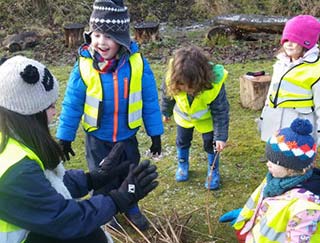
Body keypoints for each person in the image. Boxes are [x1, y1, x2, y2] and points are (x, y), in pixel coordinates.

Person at [0, 55, 159, 243]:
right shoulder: (17, 170)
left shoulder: (13, 139)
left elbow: (46, 185)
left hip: (28, 227)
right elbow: (65, 219)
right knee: (89, 236)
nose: (55, 111)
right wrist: (118, 199)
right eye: (49, 106)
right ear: (28, 112)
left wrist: (93, 178)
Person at [56, 0, 163, 230]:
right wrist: (65, 136)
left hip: (126, 137)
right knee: (101, 177)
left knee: (129, 173)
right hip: (97, 137)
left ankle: (131, 204)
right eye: (96, 35)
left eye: (108, 37)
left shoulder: (137, 64)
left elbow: (151, 101)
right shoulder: (84, 66)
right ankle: (106, 211)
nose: (100, 42)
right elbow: (72, 104)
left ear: (122, 40)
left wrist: (155, 133)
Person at [220, 118, 320, 243]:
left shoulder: (306, 207)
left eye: (274, 162)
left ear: (292, 168)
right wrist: (248, 215)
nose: (268, 164)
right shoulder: (275, 180)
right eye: (268, 159)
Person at [161, 45, 229, 189]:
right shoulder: (173, 78)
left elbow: (221, 111)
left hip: (207, 121)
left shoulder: (214, 85)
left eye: (190, 85)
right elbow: (167, 97)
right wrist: (165, 112)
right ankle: (182, 164)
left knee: (211, 145)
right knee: (182, 141)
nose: (185, 89)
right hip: (183, 118)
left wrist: (221, 137)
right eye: (181, 85)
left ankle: (213, 171)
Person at [259, 15, 320, 145]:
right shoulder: (280, 64)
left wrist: (317, 137)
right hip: (274, 126)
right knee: (274, 162)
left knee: (296, 163)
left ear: (307, 43)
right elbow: (271, 95)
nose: (289, 44)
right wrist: (263, 120)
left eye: (296, 39)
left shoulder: (316, 70)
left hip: (298, 128)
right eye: (286, 39)